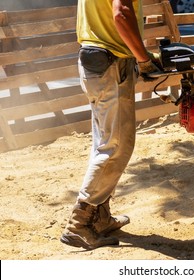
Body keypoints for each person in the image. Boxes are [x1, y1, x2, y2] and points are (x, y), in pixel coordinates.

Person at [60, 0, 162, 250]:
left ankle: (100, 216)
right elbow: (121, 14)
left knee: (106, 144)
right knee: (115, 147)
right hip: (110, 63)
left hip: (98, 60)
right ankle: (79, 223)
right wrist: (144, 59)